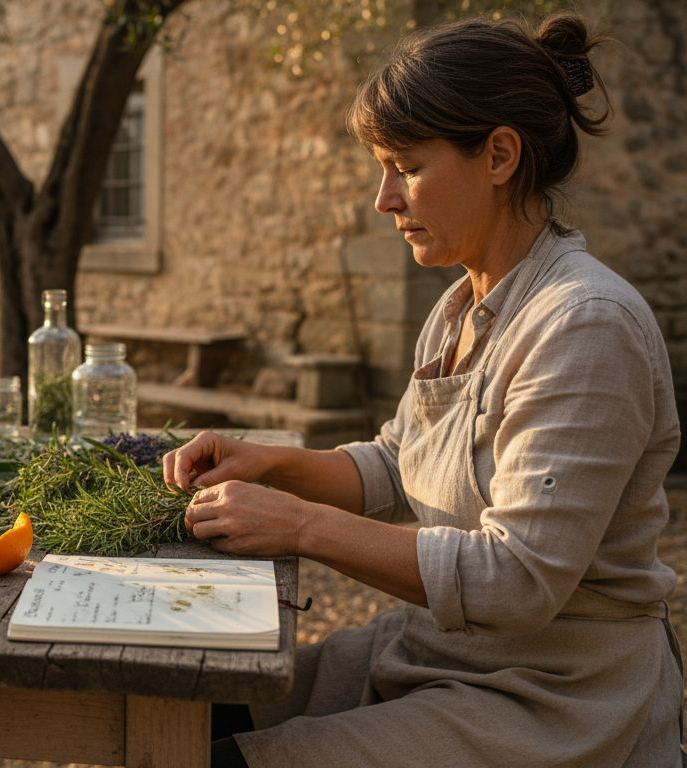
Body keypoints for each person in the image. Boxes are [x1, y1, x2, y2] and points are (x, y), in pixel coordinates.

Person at [165, 11, 683, 768]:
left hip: (552, 699)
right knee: (189, 708)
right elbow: (392, 463)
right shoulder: (460, 311)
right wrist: (270, 464)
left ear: (499, 154)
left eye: (405, 166)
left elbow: (517, 581)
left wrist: (299, 525)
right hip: (441, 655)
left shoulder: (585, 326)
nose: (385, 199)